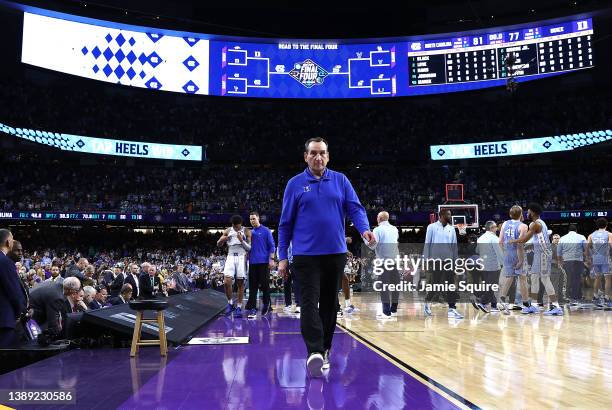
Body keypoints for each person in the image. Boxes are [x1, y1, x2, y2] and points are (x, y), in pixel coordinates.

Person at [277, 137, 375, 377]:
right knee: (308, 302)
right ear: (305, 156)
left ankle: (325, 348)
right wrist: (282, 256)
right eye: (313, 153)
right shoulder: (294, 184)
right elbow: (285, 224)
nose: (318, 157)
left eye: (322, 153)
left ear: (328, 156)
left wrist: (364, 229)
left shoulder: (341, 180)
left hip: (335, 254)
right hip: (305, 256)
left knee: (330, 304)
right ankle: (314, 351)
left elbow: (356, 209)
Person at [511, 203, 562, 316]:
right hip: (539, 253)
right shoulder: (540, 223)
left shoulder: (535, 224)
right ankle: (533, 305)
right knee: (534, 277)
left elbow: (524, 239)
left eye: (528, 211)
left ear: (533, 212)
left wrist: (512, 241)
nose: (527, 213)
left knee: (544, 279)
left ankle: (556, 306)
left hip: (543, 254)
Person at [422, 209, 463, 319]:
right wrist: (425, 260)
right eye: (448, 214)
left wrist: (455, 261)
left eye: (450, 214)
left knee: (451, 285)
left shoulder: (451, 229)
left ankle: (452, 309)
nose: (450, 216)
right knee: (435, 284)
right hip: (436, 261)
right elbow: (427, 244)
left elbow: (454, 246)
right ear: (441, 215)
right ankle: (426, 303)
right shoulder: (431, 227)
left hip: (449, 261)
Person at [217, 215, 252, 318]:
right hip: (230, 256)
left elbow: (249, 248)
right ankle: (230, 303)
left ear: (240, 224)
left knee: (240, 283)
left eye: (236, 226)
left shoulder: (246, 231)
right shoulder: (228, 230)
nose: (235, 228)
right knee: (226, 282)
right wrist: (222, 240)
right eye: (233, 226)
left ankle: (239, 306)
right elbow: (218, 244)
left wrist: (241, 240)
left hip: (242, 256)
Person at [367, 211, 400, 318]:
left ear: (379, 218)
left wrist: (365, 239)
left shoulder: (377, 230)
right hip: (394, 261)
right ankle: (394, 309)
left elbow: (372, 246)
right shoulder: (395, 229)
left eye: (377, 217)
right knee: (395, 286)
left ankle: (386, 312)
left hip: (383, 262)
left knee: (384, 287)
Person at [245, 211, 276, 319]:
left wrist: (271, 259)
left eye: (254, 218)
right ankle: (253, 308)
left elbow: (272, 246)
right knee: (252, 287)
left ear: (258, 218)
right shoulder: (250, 233)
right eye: (250, 219)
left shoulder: (266, 230)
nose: (252, 221)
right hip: (253, 263)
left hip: (264, 262)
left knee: (264, 285)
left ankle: (267, 304)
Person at [0, 229, 27, 347]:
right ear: (8, 242)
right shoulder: (5, 262)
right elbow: (14, 294)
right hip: (4, 321)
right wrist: (20, 313)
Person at [474, 221, 504, 313]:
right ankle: (481, 301)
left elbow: (477, 250)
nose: (497, 228)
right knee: (492, 286)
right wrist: (503, 263)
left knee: (489, 285)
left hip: (483, 265)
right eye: (495, 227)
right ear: (491, 228)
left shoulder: (480, 238)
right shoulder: (494, 238)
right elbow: (499, 253)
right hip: (493, 266)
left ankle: (494, 306)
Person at [557, 224, 588, 305]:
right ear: (576, 230)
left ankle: (569, 296)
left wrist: (560, 262)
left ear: (568, 231)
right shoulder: (581, 237)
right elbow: (586, 249)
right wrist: (586, 258)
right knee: (577, 278)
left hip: (566, 261)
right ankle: (575, 297)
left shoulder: (562, 238)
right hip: (578, 261)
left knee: (568, 279)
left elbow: (558, 252)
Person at [586, 218, 612, 307]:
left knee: (597, 277)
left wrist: (588, 258)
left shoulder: (591, 235)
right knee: (607, 278)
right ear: (606, 225)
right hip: (605, 259)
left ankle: (595, 296)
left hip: (595, 259)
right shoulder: (609, 234)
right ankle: (607, 297)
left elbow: (587, 248)